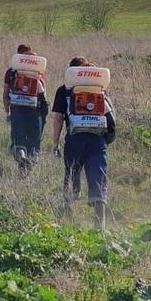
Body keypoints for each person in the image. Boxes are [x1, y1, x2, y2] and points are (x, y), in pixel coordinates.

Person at [50, 56, 116, 230]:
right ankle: (99, 225)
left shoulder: (64, 91)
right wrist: (105, 141)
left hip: (74, 140)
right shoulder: (100, 92)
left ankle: (67, 216)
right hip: (97, 142)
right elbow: (111, 121)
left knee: (71, 174)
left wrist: (55, 143)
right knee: (98, 177)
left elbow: (58, 118)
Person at [3, 44, 48, 176]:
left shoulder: (11, 72)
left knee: (19, 138)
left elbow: (5, 94)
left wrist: (7, 112)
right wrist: (44, 116)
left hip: (16, 110)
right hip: (35, 111)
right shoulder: (37, 73)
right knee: (34, 140)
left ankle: (21, 159)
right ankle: (30, 165)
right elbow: (43, 96)